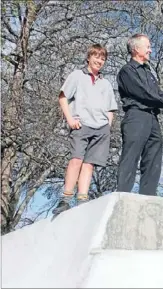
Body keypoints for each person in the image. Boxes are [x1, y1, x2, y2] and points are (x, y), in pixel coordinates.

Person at [53, 43, 118, 215]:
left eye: (103, 58)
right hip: (81, 125)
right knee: (76, 160)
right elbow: (63, 97)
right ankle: (65, 199)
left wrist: (108, 125)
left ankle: (82, 199)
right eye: (96, 56)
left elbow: (111, 107)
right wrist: (70, 119)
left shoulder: (105, 83)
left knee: (89, 164)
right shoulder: (77, 75)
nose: (99, 61)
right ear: (89, 57)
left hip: (101, 128)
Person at [116, 33, 163, 196]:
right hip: (136, 117)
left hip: (152, 118)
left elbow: (157, 93)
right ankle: (122, 194)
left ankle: (148, 196)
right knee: (131, 157)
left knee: (153, 158)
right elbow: (144, 93)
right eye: (147, 47)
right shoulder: (127, 71)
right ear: (136, 49)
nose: (150, 50)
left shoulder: (148, 72)